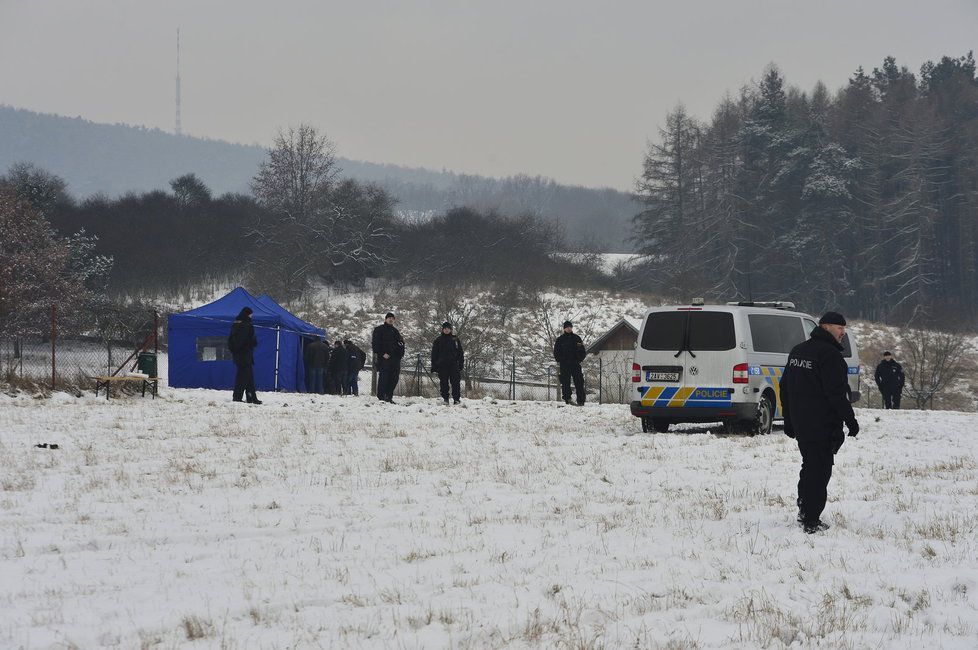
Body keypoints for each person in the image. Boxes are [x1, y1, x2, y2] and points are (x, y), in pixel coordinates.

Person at [780, 311, 859, 534]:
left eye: (844, 328)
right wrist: (850, 421)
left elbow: (784, 387)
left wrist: (789, 418)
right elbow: (836, 394)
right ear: (825, 327)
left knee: (809, 465)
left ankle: (805, 511)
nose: (843, 332)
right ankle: (811, 520)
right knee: (820, 469)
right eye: (839, 328)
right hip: (822, 423)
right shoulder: (830, 355)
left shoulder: (798, 351)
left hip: (802, 422)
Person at [227, 306, 261, 404]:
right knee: (242, 378)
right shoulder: (245, 324)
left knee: (249, 377)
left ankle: (252, 397)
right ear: (247, 314)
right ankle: (237, 397)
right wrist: (252, 343)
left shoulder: (236, 323)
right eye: (251, 314)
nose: (251, 316)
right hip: (244, 355)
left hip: (240, 356)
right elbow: (243, 340)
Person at [371, 312, 405, 402]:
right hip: (384, 359)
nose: (391, 319)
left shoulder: (396, 331)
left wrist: (400, 355)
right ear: (385, 319)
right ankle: (382, 397)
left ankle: (389, 396)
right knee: (384, 378)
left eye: (392, 318)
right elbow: (375, 344)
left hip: (395, 359)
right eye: (389, 318)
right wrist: (382, 353)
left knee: (394, 378)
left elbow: (401, 344)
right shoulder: (379, 330)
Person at [553, 320, 587, 405]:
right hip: (565, 365)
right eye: (567, 327)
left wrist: (578, 360)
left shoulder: (577, 338)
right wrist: (561, 360)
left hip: (575, 364)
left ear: (572, 328)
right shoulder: (560, 340)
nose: (569, 328)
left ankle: (581, 401)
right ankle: (568, 399)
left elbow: (583, 352)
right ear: (564, 329)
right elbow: (556, 353)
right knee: (565, 383)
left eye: (570, 327)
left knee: (579, 382)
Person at [430, 321, 464, 404]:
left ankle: (456, 399)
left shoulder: (455, 339)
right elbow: (434, 354)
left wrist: (461, 363)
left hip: (454, 364)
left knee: (455, 382)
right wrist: (434, 365)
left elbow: (460, 352)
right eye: (445, 328)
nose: (446, 330)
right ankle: (445, 398)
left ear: (451, 330)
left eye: (448, 328)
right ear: (442, 330)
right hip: (442, 365)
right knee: (444, 383)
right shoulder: (438, 340)